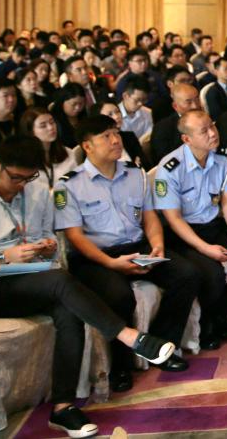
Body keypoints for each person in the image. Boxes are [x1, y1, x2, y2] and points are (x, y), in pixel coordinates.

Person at [0, 135, 176, 438]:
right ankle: (131, 336)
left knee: (68, 310)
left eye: (28, 178)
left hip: (37, 276)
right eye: (15, 178)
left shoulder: (38, 191)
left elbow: (50, 241)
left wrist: (46, 247)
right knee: (60, 281)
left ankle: (63, 407)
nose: (21, 186)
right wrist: (4, 257)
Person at [55, 115, 195, 392]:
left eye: (116, 133)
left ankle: (161, 346)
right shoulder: (69, 185)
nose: (115, 140)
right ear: (87, 146)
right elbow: (75, 237)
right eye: (106, 136)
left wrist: (157, 245)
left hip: (136, 246)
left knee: (187, 274)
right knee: (119, 295)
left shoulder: (135, 173)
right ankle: (120, 365)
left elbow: (149, 217)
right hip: (96, 257)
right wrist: (111, 263)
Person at [152, 110, 227, 351]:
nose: (213, 133)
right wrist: (205, 249)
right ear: (187, 139)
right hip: (183, 235)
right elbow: (173, 219)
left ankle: (219, 315)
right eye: (204, 131)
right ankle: (205, 328)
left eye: (212, 126)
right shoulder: (170, 168)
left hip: (213, 225)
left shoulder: (223, 156)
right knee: (213, 273)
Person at [20, 106, 79, 186]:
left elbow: (77, 182)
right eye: (43, 126)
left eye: (52, 122)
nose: (51, 128)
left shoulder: (67, 152)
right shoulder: (24, 162)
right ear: (31, 132)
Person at [150, 82, 202, 169]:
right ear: (175, 106)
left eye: (197, 99)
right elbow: (164, 160)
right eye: (189, 102)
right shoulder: (163, 128)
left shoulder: (206, 119)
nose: (195, 106)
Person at [50, 83, 89, 149]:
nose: (78, 108)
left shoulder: (84, 117)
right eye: (74, 104)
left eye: (81, 104)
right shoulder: (54, 121)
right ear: (62, 102)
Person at [118, 77, 154, 142]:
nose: (140, 104)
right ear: (125, 96)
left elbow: (149, 136)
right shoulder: (114, 116)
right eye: (137, 100)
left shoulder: (147, 113)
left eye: (144, 100)